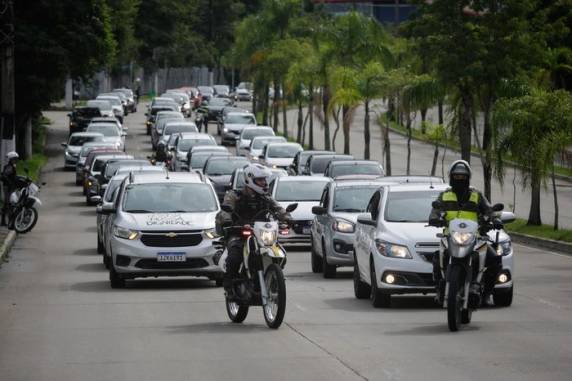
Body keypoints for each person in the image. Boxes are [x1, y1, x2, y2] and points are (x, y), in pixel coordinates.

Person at [428, 160, 501, 306]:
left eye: (462, 177)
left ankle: (486, 293)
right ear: (451, 177)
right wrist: (434, 219)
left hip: (475, 238)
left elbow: (489, 210)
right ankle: (439, 289)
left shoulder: (477, 196)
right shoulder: (444, 196)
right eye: (456, 176)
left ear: (468, 178)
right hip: (450, 237)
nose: (459, 179)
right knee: (437, 257)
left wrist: (495, 219)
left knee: (494, 259)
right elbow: (435, 211)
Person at [215, 164, 291, 292]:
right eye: (260, 180)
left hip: (260, 233)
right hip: (239, 232)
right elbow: (225, 209)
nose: (264, 183)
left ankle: (272, 277)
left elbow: (278, 209)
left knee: (279, 251)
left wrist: (288, 218)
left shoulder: (266, 197)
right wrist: (227, 220)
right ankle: (230, 284)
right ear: (249, 179)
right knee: (235, 256)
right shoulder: (234, 195)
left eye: (264, 180)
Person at [1, 152, 19, 226]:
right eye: (14, 159)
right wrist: (10, 183)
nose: (16, 160)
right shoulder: (10, 167)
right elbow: (5, 175)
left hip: (10, 187)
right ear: (11, 159)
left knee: (8, 203)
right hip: (8, 187)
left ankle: (4, 221)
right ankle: (9, 221)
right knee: (9, 204)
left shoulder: (12, 166)